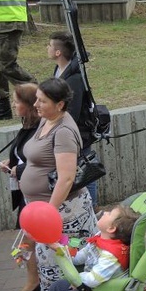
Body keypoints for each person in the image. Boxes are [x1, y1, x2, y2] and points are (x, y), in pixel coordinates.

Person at [19, 78, 97, 291]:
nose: (36, 105)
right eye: (36, 99)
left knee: (60, 265)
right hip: (47, 211)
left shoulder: (63, 131)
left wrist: (47, 214)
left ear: (60, 104)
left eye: (42, 101)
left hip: (65, 215)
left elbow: (66, 178)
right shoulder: (47, 120)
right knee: (49, 264)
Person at [47, 31, 98, 205]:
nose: (47, 48)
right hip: (64, 131)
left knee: (85, 170)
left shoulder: (74, 78)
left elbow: (73, 111)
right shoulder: (58, 70)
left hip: (78, 134)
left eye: (49, 46)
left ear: (58, 52)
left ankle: (91, 206)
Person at [2, 83, 41, 291]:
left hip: (37, 194)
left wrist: (21, 167)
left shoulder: (39, 128)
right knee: (30, 239)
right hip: (27, 192)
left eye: (17, 101)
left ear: (28, 105)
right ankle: (34, 279)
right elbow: (22, 154)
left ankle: (34, 281)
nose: (14, 105)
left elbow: (43, 160)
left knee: (31, 239)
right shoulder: (27, 125)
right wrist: (12, 162)